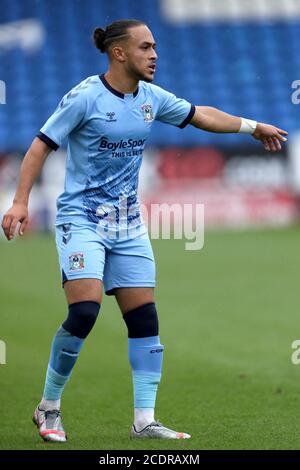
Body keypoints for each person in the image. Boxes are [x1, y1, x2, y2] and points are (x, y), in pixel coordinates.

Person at [1, 19, 288, 443]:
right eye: (145, 47)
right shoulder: (84, 98)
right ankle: (49, 407)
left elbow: (200, 115)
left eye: (155, 47)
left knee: (144, 318)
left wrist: (251, 126)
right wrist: (21, 201)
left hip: (128, 223)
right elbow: (41, 144)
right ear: (119, 53)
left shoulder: (152, 98)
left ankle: (144, 420)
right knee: (84, 312)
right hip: (81, 219)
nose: (155, 55)